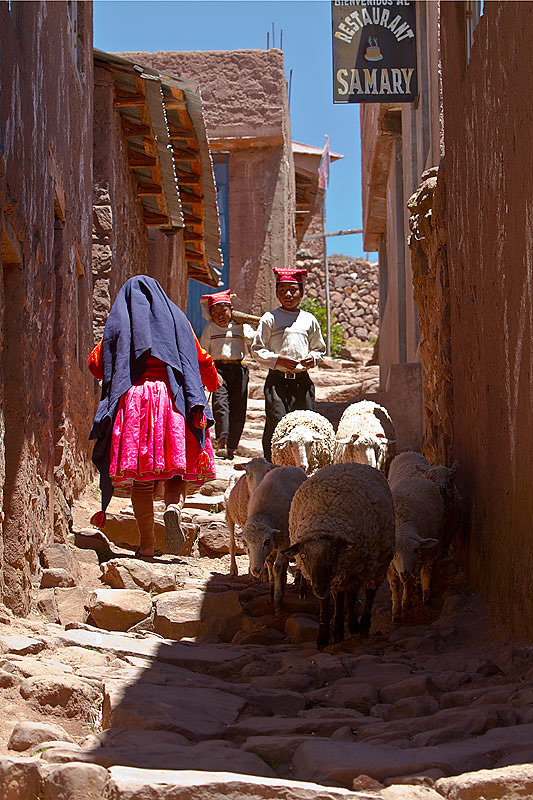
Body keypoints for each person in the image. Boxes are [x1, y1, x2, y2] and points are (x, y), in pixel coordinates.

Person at [88, 275, 219, 558]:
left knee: (141, 479)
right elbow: (200, 359)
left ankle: (146, 544)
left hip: (135, 403)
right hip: (174, 401)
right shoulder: (177, 321)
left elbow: (96, 365)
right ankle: (173, 506)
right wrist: (211, 382)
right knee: (177, 466)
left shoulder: (122, 323)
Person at [251, 267, 326, 461]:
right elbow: (257, 349)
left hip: (302, 382)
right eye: (282, 290)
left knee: (305, 424)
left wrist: (314, 358)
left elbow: (319, 348)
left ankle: (303, 465)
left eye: (293, 289)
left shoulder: (309, 319)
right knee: (277, 423)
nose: (288, 294)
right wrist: (278, 360)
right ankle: (273, 464)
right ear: (276, 293)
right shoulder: (270, 318)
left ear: (301, 292)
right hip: (277, 382)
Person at [199, 289, 255, 460]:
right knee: (220, 403)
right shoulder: (210, 327)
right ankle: (222, 439)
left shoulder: (240, 326)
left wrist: (247, 325)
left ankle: (232, 445)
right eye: (214, 313)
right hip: (219, 370)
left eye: (223, 311)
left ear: (231, 309)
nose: (219, 316)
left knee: (238, 408)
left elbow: (254, 340)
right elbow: (203, 349)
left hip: (239, 370)